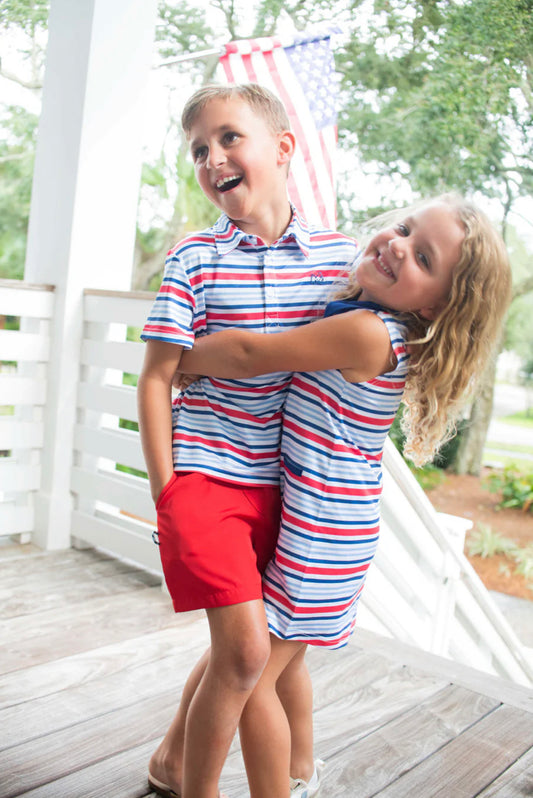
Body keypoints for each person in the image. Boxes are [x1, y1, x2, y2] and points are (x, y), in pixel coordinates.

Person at [175, 194, 512, 797]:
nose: (397, 245)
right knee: (280, 660)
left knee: (248, 677)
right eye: (405, 229)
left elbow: (254, 355)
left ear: (436, 304)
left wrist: (181, 358)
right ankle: (300, 772)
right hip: (335, 530)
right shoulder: (374, 323)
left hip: (318, 536)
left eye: (423, 257)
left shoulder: (366, 334)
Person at [137, 82, 358, 798]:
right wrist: (167, 491)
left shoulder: (339, 262)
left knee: (250, 652)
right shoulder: (193, 259)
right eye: (199, 149)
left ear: (283, 148)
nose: (212, 158)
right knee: (242, 652)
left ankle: (172, 761)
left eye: (229, 138)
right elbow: (155, 380)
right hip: (203, 478)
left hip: (286, 487)